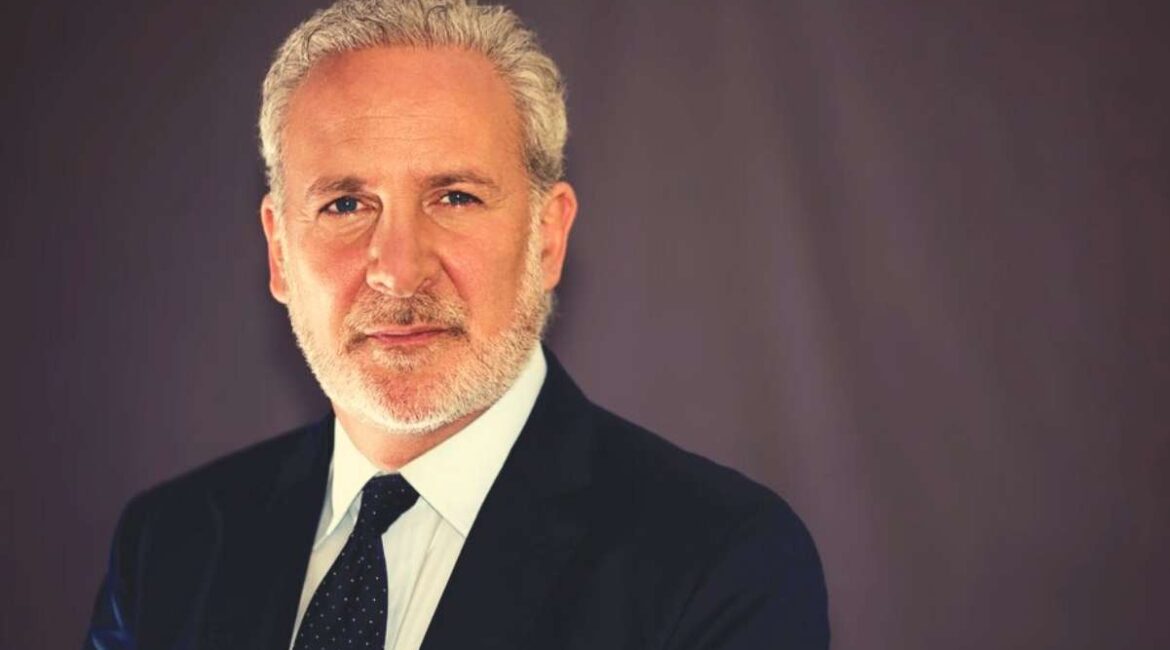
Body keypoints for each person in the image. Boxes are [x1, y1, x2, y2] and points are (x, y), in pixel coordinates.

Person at [83, 1, 829, 648]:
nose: (399, 270)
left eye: (455, 198)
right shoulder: (167, 547)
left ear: (547, 239)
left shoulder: (719, 564)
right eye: (346, 204)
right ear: (279, 251)